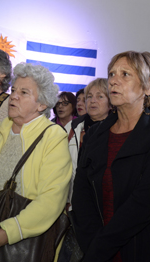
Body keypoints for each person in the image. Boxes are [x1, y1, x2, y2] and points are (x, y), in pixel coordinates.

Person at [72, 51, 150, 261]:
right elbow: (81, 195)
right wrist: (92, 247)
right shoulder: (95, 134)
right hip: (95, 249)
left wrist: (99, 249)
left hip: (142, 249)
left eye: (125, 74)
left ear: (148, 86)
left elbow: (143, 204)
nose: (114, 81)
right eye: (112, 74)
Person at [0, 63, 72, 259]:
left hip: (22, 247)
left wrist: (5, 234)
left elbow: (51, 200)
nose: (13, 96)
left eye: (24, 92)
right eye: (13, 90)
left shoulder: (53, 136)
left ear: (41, 104)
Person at [65, 78, 111, 207]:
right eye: (89, 97)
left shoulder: (116, 130)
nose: (92, 101)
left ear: (111, 102)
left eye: (100, 96)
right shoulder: (72, 127)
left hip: (102, 204)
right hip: (70, 202)